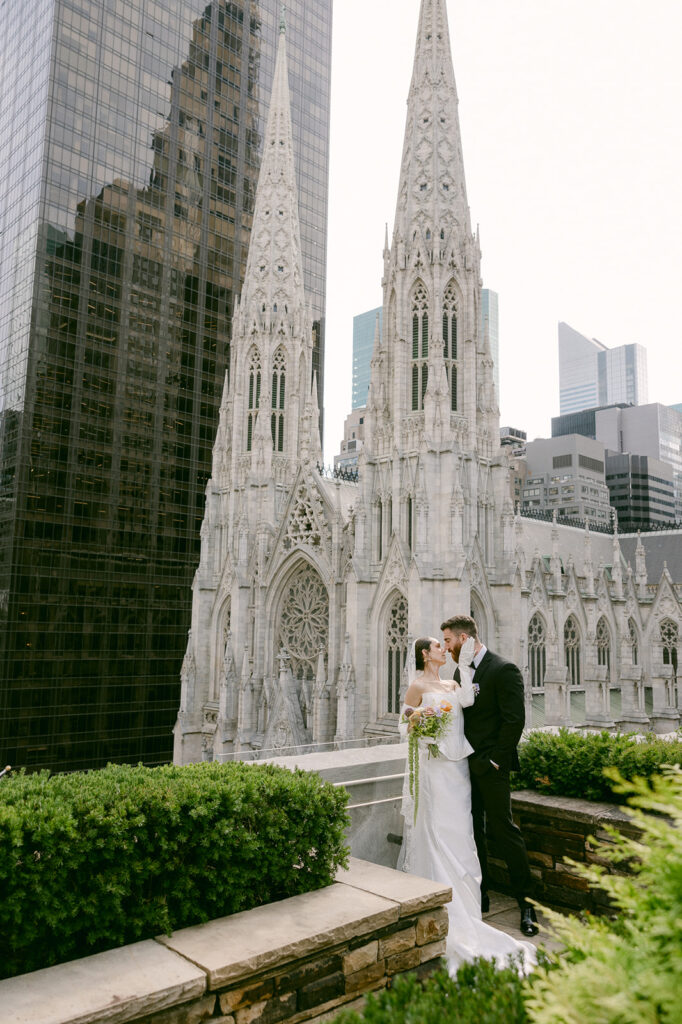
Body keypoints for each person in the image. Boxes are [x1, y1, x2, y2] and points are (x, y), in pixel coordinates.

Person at [399, 635, 536, 972]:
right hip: (438, 767)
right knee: (444, 831)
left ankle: (511, 902)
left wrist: (464, 666)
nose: (444, 649)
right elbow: (404, 724)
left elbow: (472, 704)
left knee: (473, 832)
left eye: (447, 642)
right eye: (438, 645)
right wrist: (423, 730)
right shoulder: (417, 686)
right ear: (424, 653)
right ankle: (457, 900)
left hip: (465, 767)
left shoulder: (455, 679)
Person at [441, 615, 539, 938]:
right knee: (474, 834)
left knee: (504, 830)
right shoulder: (460, 671)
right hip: (466, 767)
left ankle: (527, 904)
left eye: (449, 641)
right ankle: (480, 897)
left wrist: (496, 761)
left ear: (465, 639)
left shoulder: (503, 669)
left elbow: (514, 721)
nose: (447, 648)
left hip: (492, 769)